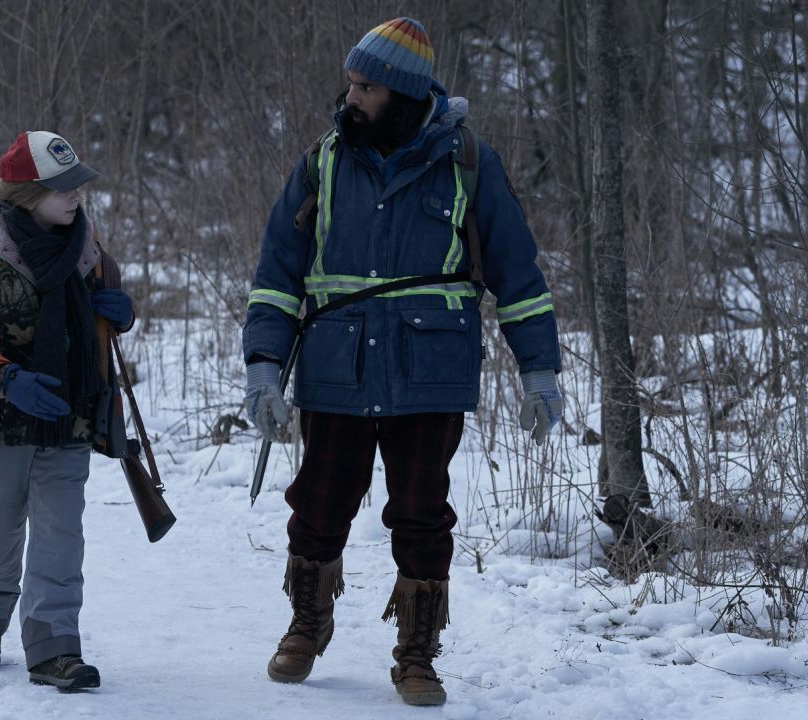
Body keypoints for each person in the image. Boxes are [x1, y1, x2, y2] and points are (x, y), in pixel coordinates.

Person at [241, 17, 564, 707]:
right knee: (318, 505)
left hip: (429, 372)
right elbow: (277, 274)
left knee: (421, 513)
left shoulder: (469, 164)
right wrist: (263, 365)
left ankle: (417, 651)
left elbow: (520, 275)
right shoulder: (321, 163)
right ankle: (307, 622)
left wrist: (539, 371)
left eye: (367, 88)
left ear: (406, 94)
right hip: (335, 369)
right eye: (352, 84)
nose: (351, 98)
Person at [0, 130, 134, 690]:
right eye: (61, 187)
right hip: (1, 416)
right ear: (25, 193)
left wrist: (122, 311)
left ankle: (54, 647)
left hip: (69, 415)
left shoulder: (88, 249)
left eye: (78, 184)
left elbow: (103, 315)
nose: (75, 195)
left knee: (60, 532)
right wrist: (5, 376)